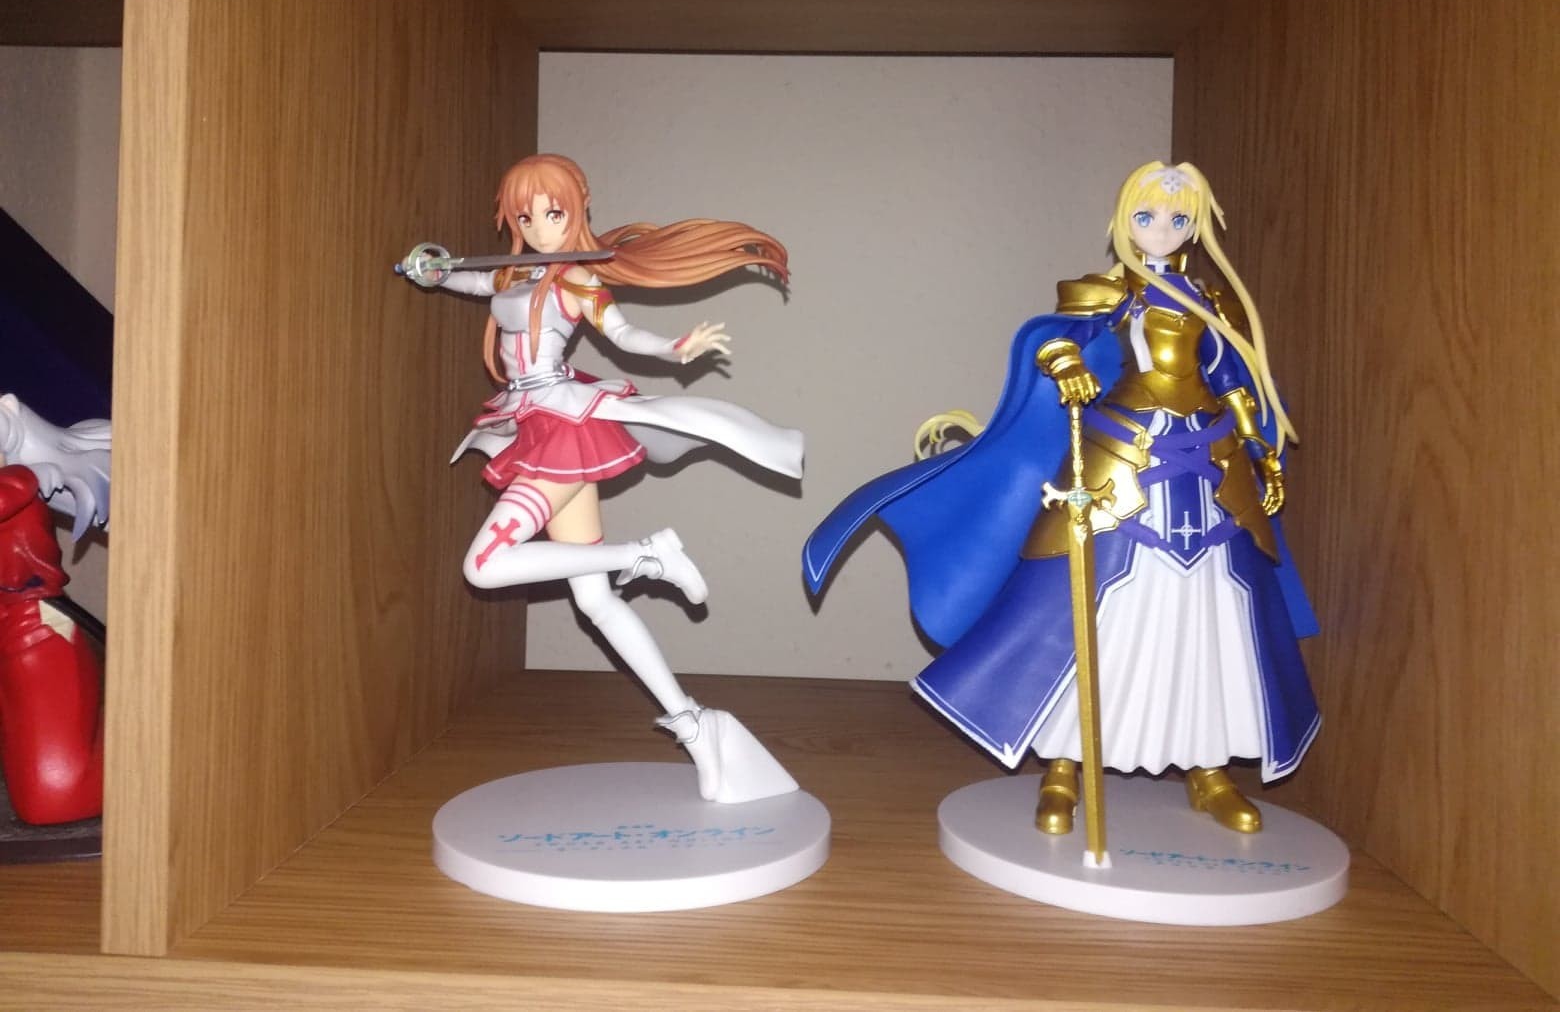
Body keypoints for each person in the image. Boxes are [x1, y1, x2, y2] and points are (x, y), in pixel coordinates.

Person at [804, 161, 1318, 833]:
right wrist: (1066, 363)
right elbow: (1055, 341)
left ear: (1195, 227)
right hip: (1120, 465)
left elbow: (1232, 382)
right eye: (1147, 217)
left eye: (1178, 218)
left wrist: (1260, 449)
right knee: (1083, 614)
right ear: (1125, 222)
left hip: (1211, 470)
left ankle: (1207, 767)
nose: (1162, 228)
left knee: (1208, 617)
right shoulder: (1110, 291)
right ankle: (1062, 767)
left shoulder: (1210, 300)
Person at [405, 153, 801, 803]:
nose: (539, 227)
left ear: (579, 209)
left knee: (484, 567)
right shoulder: (511, 272)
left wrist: (673, 349)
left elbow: (623, 332)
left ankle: (646, 554)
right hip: (532, 421)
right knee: (595, 603)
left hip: (558, 428)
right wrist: (434, 270)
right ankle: (694, 725)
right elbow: (472, 283)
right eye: (525, 217)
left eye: (552, 213)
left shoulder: (577, 281)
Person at [0, 394, 109, 826]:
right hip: (14, 627)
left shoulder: (18, 482)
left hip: (34, 627)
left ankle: (149, 757)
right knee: (33, 784)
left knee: (53, 795)